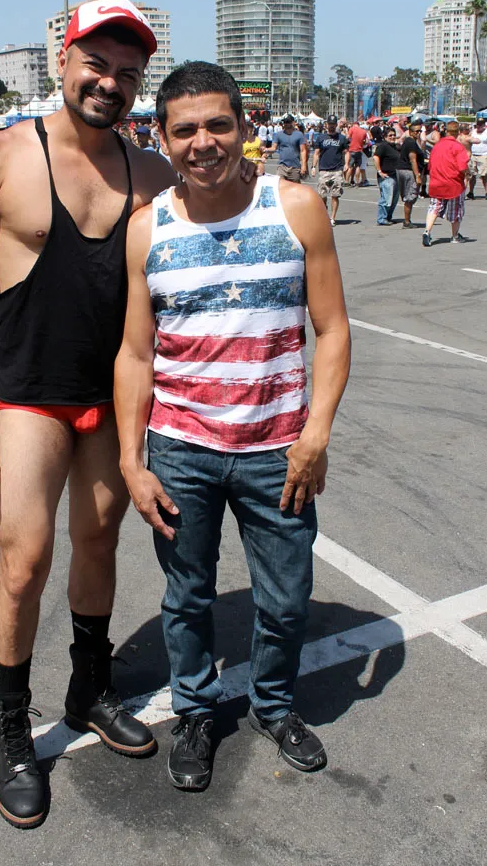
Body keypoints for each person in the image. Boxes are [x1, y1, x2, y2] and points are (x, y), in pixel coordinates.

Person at [0, 0, 219, 829]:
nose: (109, 83)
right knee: (24, 563)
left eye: (128, 73)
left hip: (117, 398)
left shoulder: (154, 174)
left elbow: (216, 225)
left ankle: (90, 688)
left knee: (99, 544)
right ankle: (12, 728)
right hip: (32, 394)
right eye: (96, 64)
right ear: (63, 61)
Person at [114, 61, 351, 792]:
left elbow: (333, 329)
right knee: (187, 596)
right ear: (162, 138)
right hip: (181, 448)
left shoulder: (296, 208)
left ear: (245, 128)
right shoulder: (146, 228)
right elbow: (135, 352)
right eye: (185, 129)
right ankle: (194, 710)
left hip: (278, 450)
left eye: (220, 124)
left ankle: (274, 706)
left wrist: (315, 434)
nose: (204, 142)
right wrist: (131, 460)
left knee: (285, 597)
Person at [422, 121, 470, 247]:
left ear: (446, 131)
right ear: (458, 132)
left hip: (437, 181)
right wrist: (468, 174)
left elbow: (430, 165)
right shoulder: (458, 147)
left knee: (434, 207)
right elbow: (462, 166)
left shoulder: (437, 146)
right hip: (454, 183)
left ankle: (427, 231)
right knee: (456, 210)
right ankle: (455, 236)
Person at [311, 114, 349, 225]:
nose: (331, 126)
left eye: (333, 124)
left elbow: (346, 152)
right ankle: (325, 213)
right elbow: (316, 153)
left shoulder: (341, 138)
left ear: (336, 124)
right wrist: (313, 167)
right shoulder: (321, 138)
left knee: (335, 195)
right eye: (330, 124)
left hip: (337, 170)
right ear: (327, 124)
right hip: (324, 170)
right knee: (322, 195)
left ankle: (332, 218)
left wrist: (346, 164)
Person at [396, 122, 424, 228]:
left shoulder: (409, 141)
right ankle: (407, 221)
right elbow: (413, 160)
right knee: (410, 196)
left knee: (408, 196)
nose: (418, 133)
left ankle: (407, 220)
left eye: (420, 131)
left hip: (402, 169)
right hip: (408, 171)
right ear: (411, 132)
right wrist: (417, 176)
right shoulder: (411, 142)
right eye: (416, 131)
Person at [265, 115, 307, 182]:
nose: (286, 124)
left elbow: (303, 150)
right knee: (280, 185)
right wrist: (265, 150)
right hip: (282, 166)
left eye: (288, 122)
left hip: (295, 167)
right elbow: (274, 148)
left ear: (293, 122)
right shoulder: (278, 135)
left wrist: (304, 165)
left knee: (294, 187)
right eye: (285, 122)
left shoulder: (299, 135)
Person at [373, 126, 400, 225]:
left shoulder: (395, 147)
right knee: (386, 199)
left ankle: (388, 217)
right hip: (387, 177)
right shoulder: (383, 146)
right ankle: (381, 218)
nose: (392, 137)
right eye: (390, 135)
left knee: (394, 199)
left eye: (394, 135)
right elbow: (376, 157)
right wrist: (380, 171)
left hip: (395, 176)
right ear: (384, 137)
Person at [467, 118, 487, 199]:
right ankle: (471, 192)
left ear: (483, 125)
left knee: (484, 175)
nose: (478, 126)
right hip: (473, 155)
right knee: (472, 175)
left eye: (480, 124)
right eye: (477, 124)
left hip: (484, 155)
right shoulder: (473, 132)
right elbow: (467, 141)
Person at [346, 120, 368, 185]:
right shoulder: (363, 131)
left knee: (350, 166)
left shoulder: (351, 129)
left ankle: (347, 181)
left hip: (352, 149)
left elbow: (347, 137)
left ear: (354, 124)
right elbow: (366, 141)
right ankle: (357, 181)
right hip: (359, 150)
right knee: (358, 166)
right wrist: (362, 142)